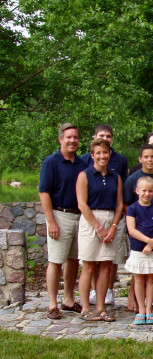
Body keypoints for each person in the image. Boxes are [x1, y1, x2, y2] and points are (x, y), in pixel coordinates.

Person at [39, 123, 85, 319]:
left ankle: (67, 299)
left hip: (79, 216)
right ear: (60, 139)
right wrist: (51, 221)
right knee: (56, 261)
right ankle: (52, 304)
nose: (72, 140)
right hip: (60, 215)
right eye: (68, 137)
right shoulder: (51, 162)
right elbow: (44, 192)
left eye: (75, 137)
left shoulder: (82, 164)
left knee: (73, 260)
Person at [81, 124, 128, 309]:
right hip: (91, 222)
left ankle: (100, 307)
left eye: (105, 153)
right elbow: (82, 204)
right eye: (98, 153)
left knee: (106, 267)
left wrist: (114, 226)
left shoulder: (115, 177)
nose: (102, 156)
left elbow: (119, 204)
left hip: (111, 222)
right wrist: (98, 228)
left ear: (110, 154)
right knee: (89, 267)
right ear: (92, 155)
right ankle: (85, 308)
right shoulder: (84, 175)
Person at [124, 176, 153, 325]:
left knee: (151, 279)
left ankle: (149, 309)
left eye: (150, 191)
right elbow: (131, 229)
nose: (147, 194)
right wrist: (147, 241)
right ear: (137, 191)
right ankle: (141, 309)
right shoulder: (132, 208)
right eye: (144, 191)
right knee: (139, 279)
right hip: (138, 249)